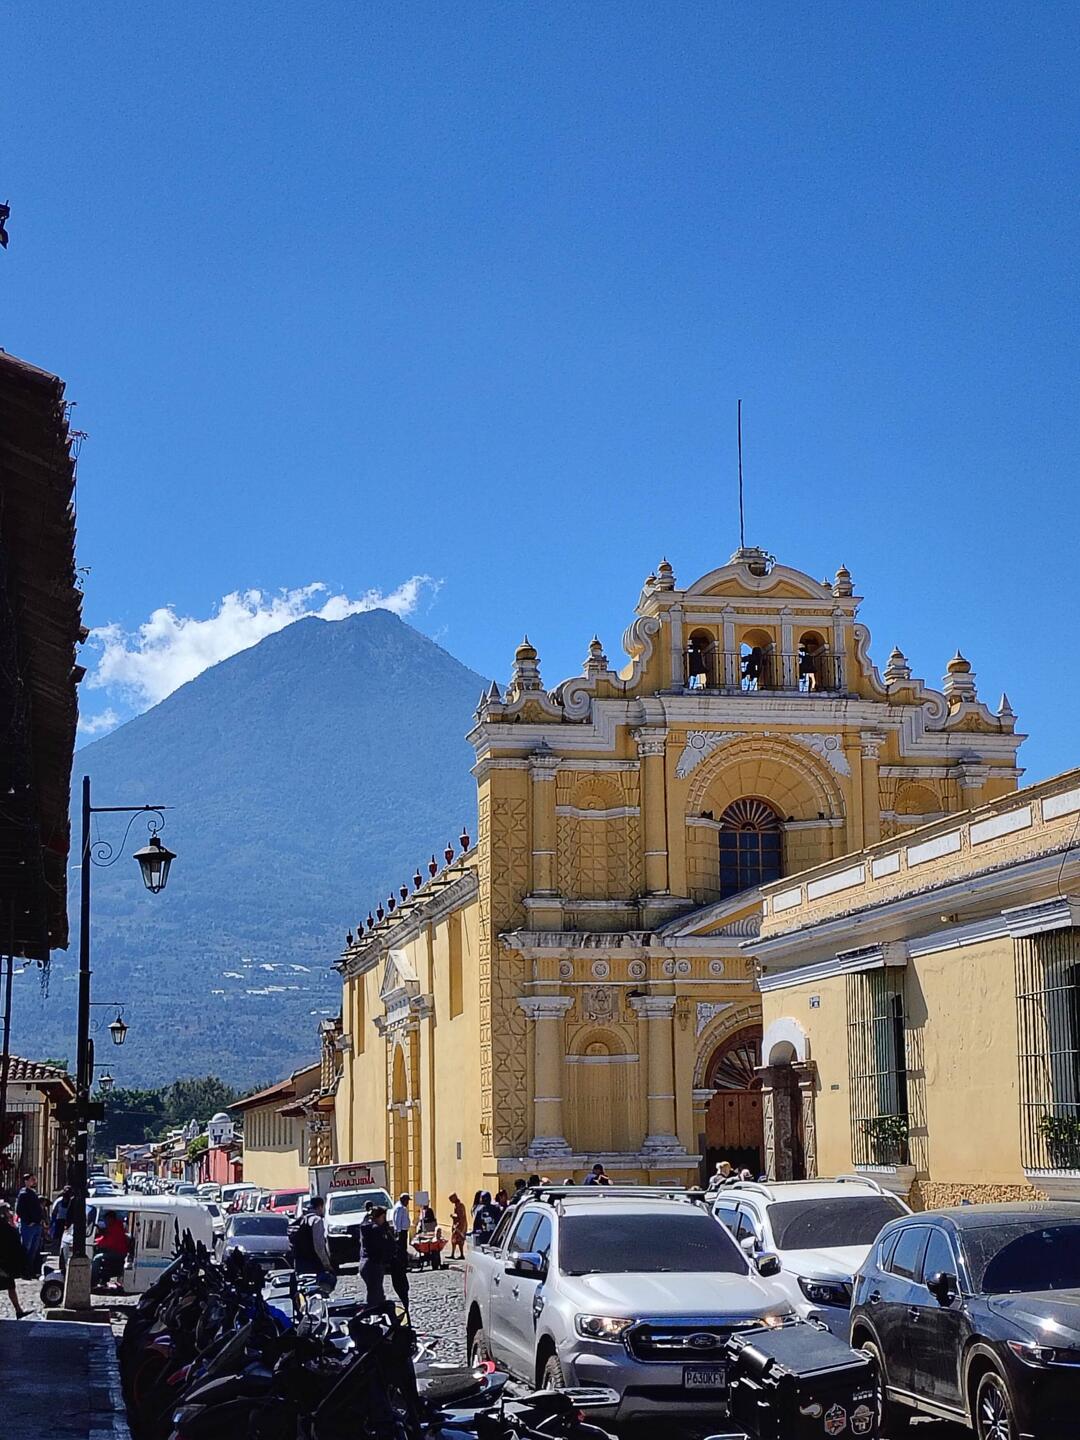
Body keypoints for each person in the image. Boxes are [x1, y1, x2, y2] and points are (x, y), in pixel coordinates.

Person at [290, 1194, 335, 1292]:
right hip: (314, 1262)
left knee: (304, 1288)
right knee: (318, 1290)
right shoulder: (316, 1220)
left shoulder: (302, 1219)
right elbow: (319, 1245)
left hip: (300, 1261)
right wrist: (326, 1264)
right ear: (320, 1206)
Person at [358, 1204, 395, 1308]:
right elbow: (385, 1245)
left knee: (375, 1292)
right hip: (373, 1264)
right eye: (383, 1217)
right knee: (375, 1296)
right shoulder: (375, 1230)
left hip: (365, 1263)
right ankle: (371, 1316)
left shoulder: (366, 1226)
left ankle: (375, 1314)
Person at [0, 1201, 28, 1318]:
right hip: (3, 1263)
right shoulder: (6, 1228)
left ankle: (19, 1310)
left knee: (11, 1287)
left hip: (5, 1263)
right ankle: (18, 1310)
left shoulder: (8, 1227)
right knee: (10, 1286)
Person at [14, 1174, 44, 1276]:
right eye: (32, 1180)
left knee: (34, 1249)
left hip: (37, 1225)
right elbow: (19, 1210)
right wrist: (28, 1221)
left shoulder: (33, 1193)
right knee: (26, 1248)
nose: (34, 1181)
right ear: (26, 1181)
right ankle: (24, 1270)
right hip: (29, 1226)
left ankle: (30, 1270)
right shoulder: (23, 1194)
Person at [92, 1210, 130, 1290]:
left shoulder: (116, 1227)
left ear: (110, 1218)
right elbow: (105, 1238)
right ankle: (102, 1280)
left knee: (96, 1258)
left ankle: (93, 1282)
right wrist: (95, 1241)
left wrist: (98, 1243)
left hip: (119, 1253)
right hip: (114, 1250)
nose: (105, 1221)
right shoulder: (113, 1226)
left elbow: (109, 1242)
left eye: (106, 1219)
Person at [49, 1185, 74, 1250]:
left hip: (69, 1221)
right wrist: (52, 1223)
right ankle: (57, 1248)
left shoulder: (72, 1202)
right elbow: (54, 1212)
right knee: (57, 1235)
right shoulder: (59, 1201)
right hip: (59, 1221)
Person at [448, 1194, 467, 1260]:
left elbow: (460, 1216)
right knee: (454, 1240)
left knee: (458, 1240)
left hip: (460, 1226)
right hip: (457, 1225)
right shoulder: (457, 1206)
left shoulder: (459, 1206)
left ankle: (461, 1254)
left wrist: (453, 1215)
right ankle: (453, 1254)